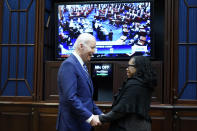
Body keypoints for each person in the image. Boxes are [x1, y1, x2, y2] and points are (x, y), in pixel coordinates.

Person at [56, 33, 102, 131]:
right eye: (92, 47)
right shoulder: (69, 65)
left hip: (83, 126)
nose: (94, 51)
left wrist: (101, 115)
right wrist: (90, 117)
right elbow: (71, 98)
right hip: (72, 126)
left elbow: (86, 98)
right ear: (81, 46)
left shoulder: (82, 66)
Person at [99, 56, 157, 131]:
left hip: (129, 127)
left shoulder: (135, 85)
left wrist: (100, 118)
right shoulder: (144, 83)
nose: (127, 68)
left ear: (138, 67)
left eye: (129, 66)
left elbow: (121, 110)